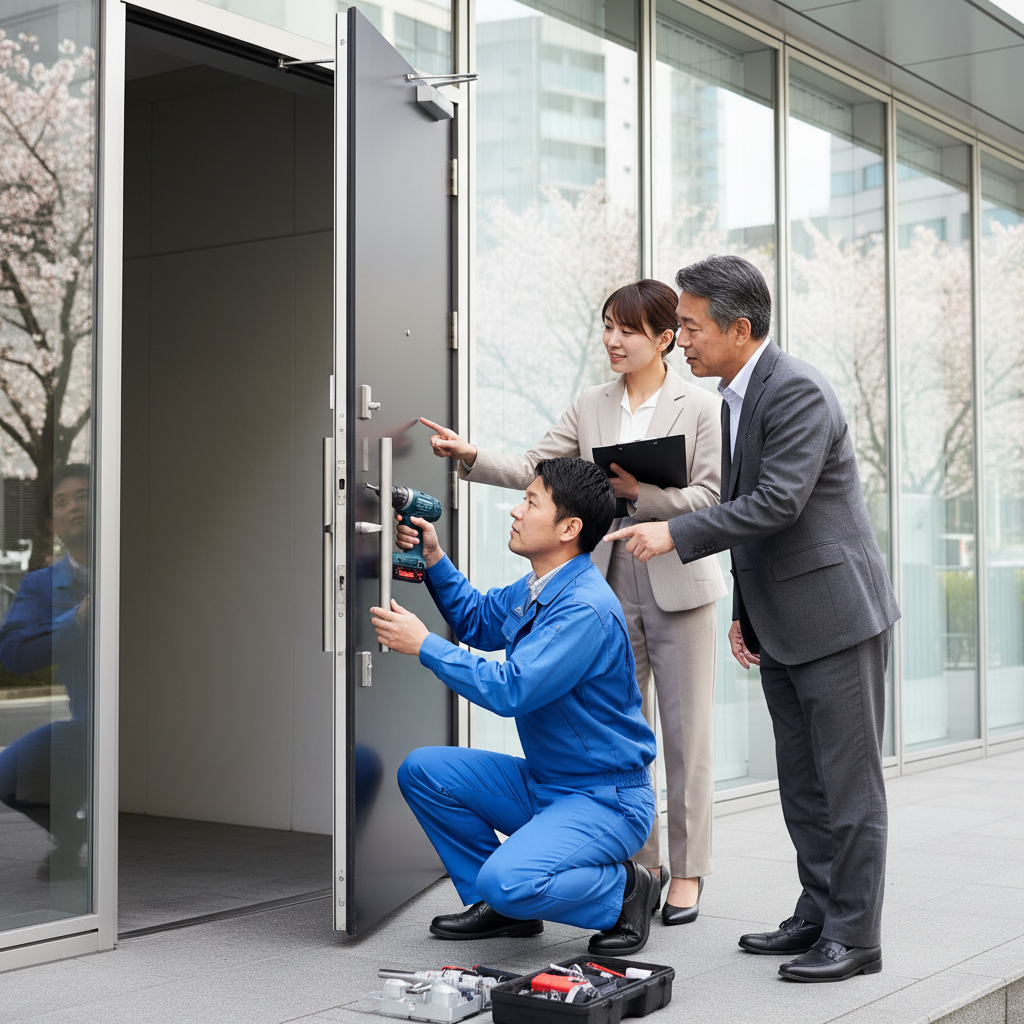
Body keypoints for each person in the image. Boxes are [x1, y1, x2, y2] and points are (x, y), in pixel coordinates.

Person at [606, 255, 900, 983]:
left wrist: (674, 533)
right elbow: (754, 517)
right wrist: (746, 613)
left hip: (837, 619)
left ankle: (856, 936)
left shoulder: (795, 389)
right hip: (782, 619)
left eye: (691, 326)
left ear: (739, 330)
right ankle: (818, 912)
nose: (680, 338)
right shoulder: (734, 398)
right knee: (802, 783)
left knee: (848, 787)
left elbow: (777, 503)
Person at [416, 279, 726, 925]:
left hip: (676, 580)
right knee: (617, 720)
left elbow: (712, 498)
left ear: (665, 339)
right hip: (608, 573)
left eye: (628, 330)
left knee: (685, 736)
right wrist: (472, 456)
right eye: (608, 326)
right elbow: (540, 466)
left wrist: (638, 495)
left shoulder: (699, 406)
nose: (613, 340)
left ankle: (688, 871)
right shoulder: (592, 403)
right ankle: (637, 870)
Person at [371, 457, 661, 956]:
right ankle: (508, 911)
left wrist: (425, 646)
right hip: (548, 782)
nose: (515, 511)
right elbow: (477, 619)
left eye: (530, 502)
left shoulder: (583, 607)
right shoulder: (540, 587)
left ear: (569, 528)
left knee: (506, 879)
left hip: (606, 799)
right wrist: (434, 559)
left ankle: (626, 891)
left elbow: (512, 689)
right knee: (424, 772)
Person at [0, 464, 92, 882]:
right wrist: (77, 619)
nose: (74, 507)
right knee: (8, 772)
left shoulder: (140, 563)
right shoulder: (41, 585)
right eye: (62, 501)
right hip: (90, 728)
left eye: (84, 496)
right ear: (53, 524)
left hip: (160, 722)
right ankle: (74, 836)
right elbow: (15, 653)